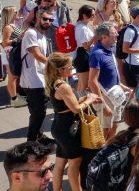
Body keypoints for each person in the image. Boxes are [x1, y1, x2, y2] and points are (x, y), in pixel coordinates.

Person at [45, 52, 100, 191]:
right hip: (69, 129)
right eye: (69, 67)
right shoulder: (63, 86)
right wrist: (89, 100)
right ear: (60, 69)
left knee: (60, 163)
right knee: (75, 164)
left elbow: (67, 105)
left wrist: (84, 99)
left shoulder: (53, 82)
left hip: (59, 125)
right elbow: (75, 109)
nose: (72, 68)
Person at [20, 8, 53, 141]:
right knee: (38, 112)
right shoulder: (31, 33)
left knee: (40, 111)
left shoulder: (43, 35)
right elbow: (37, 54)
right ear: (38, 18)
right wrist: (55, 64)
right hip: (31, 79)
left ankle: (38, 136)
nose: (48, 22)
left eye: (51, 20)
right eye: (45, 19)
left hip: (40, 78)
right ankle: (31, 141)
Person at [2, 5, 25, 107]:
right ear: (11, 14)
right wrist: (19, 38)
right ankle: (14, 99)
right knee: (12, 77)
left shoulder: (13, 24)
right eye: (15, 12)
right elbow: (5, 43)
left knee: (15, 76)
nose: (18, 13)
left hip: (13, 54)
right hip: (9, 54)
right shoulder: (8, 27)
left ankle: (16, 96)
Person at [72, 5, 95, 93]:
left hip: (82, 55)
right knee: (84, 84)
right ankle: (81, 103)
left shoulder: (81, 26)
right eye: (92, 15)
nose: (94, 16)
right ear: (85, 16)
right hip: (83, 55)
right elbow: (86, 46)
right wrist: (95, 37)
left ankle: (80, 101)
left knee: (82, 83)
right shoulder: (82, 28)